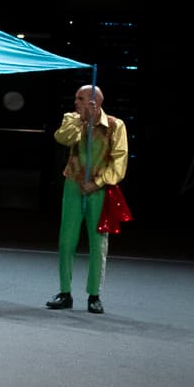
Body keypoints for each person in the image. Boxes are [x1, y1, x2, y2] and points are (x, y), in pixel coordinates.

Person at [46, 85, 130, 314]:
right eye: (76, 98)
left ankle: (94, 295)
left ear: (95, 102)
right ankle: (65, 292)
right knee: (67, 240)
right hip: (74, 184)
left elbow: (119, 162)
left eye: (80, 99)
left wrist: (98, 183)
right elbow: (61, 138)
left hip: (99, 188)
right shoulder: (71, 119)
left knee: (98, 243)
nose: (76, 102)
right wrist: (82, 122)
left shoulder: (115, 125)